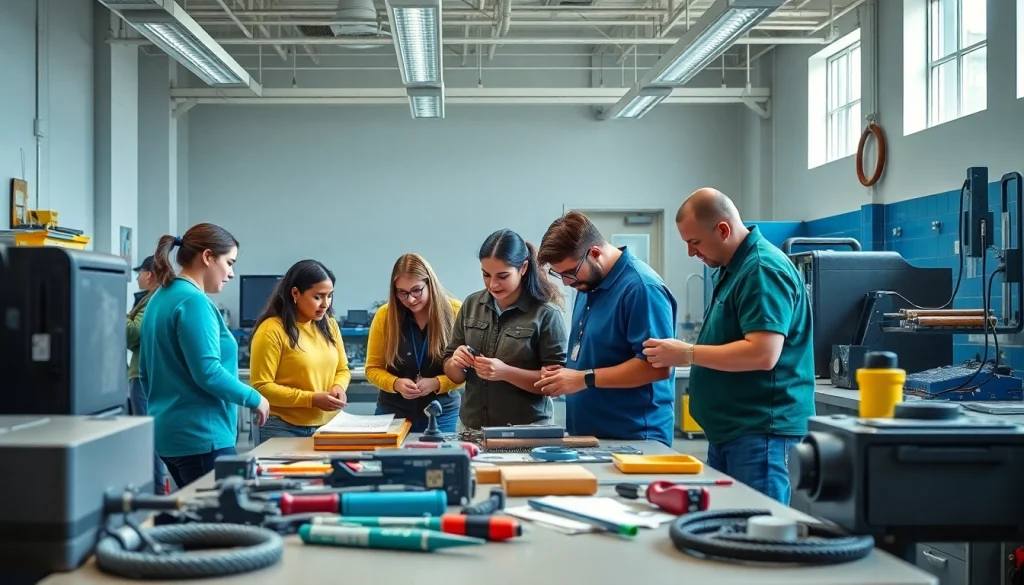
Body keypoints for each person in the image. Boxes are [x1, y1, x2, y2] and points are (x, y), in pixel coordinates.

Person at [641, 188, 815, 504]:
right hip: (734, 431)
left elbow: (763, 353)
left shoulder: (761, 269)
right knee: (728, 526)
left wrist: (687, 353)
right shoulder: (733, 269)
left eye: (694, 242)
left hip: (760, 431)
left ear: (723, 230)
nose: (691, 253)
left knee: (757, 531)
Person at [139, 223, 270, 488]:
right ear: (208, 257)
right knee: (222, 523)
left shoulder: (160, 296)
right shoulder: (193, 301)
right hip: (201, 437)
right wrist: (254, 397)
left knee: (197, 521)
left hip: (169, 435)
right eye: (229, 262)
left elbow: (144, 372)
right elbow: (208, 372)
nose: (231, 273)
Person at [535, 211, 677, 447]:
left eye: (570, 273)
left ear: (596, 253)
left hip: (635, 437)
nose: (567, 283)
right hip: (590, 435)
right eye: (558, 275)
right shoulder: (588, 285)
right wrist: (565, 373)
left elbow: (657, 368)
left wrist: (583, 378)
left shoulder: (642, 288)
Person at [443, 229, 568, 432]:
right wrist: (456, 361)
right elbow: (454, 375)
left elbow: (555, 385)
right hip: (471, 428)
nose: (493, 284)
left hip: (526, 429)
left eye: (503, 276)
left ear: (523, 268)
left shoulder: (546, 313)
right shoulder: (471, 304)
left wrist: (506, 373)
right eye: (486, 274)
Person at [249, 260, 352, 445]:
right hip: (282, 427)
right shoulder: (271, 330)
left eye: (330, 296)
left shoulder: (330, 325)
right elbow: (261, 387)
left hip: (327, 425)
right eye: (318, 297)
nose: (325, 304)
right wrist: (311, 399)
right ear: (295, 293)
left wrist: (339, 387)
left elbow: (343, 369)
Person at [365, 254, 462, 432]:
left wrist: (438, 383)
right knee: (390, 460)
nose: (410, 299)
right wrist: (395, 383)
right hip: (392, 413)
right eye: (402, 292)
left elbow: (466, 371)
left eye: (416, 290)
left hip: (441, 413)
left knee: (441, 459)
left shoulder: (456, 312)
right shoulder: (385, 316)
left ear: (430, 284)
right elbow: (372, 369)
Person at [126, 254, 167, 494]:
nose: (138, 277)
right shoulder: (150, 299)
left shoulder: (152, 300)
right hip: (142, 374)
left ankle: (156, 494)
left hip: (142, 377)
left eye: (139, 272)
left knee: (148, 439)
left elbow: (133, 334)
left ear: (149, 274)